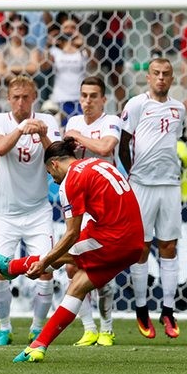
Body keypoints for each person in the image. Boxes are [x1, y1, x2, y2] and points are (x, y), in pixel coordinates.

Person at [0, 137, 144, 362]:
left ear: (54, 164)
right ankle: (38, 346)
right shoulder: (98, 163)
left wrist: (45, 261)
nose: (52, 179)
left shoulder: (71, 180)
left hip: (113, 237)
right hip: (134, 240)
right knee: (77, 285)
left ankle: (12, 267)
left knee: (62, 254)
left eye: (50, 173)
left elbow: (71, 234)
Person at [0, 75, 60, 346]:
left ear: (34, 98)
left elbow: (57, 157)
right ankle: (4, 328)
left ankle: (37, 328)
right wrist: (20, 129)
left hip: (38, 210)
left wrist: (41, 134)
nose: (20, 102)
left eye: (25, 97)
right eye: (15, 97)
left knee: (46, 269)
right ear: (8, 99)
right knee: (1, 271)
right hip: (5, 213)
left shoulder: (48, 121)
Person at [118, 57, 186, 339]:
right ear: (148, 77)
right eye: (156, 73)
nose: (161, 78)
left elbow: (174, 142)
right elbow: (123, 145)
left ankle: (168, 311)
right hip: (142, 184)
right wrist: (133, 174)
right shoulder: (136, 104)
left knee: (169, 246)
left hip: (170, 184)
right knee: (141, 247)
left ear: (172, 78)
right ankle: (141, 308)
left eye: (166, 74)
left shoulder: (179, 108)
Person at [63, 76, 123, 347]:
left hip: (107, 207)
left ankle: (107, 329)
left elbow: (105, 147)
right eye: (84, 95)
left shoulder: (111, 122)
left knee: (101, 273)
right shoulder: (73, 122)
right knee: (70, 266)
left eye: (93, 96)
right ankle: (88, 328)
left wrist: (77, 137)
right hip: (80, 202)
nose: (87, 101)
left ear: (103, 99)